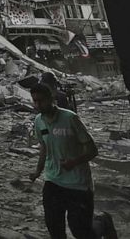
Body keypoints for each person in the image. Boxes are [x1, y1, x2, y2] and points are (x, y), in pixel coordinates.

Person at [29, 82, 98, 239]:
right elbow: (44, 147)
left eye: (41, 100)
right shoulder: (39, 121)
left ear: (51, 99)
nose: (38, 105)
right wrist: (37, 172)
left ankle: (103, 224)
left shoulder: (70, 118)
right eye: (35, 101)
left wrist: (73, 162)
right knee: (54, 227)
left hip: (78, 185)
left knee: (81, 231)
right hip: (53, 180)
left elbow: (93, 150)